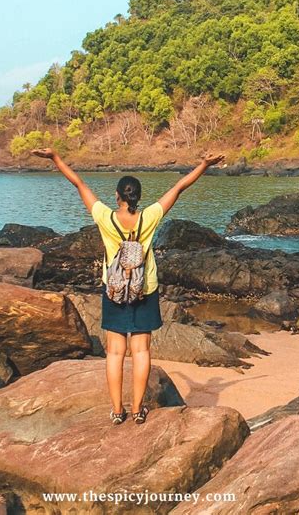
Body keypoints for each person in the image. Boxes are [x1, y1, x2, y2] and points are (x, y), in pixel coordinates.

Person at [31, 148, 225, 425]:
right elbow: (180, 186)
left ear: (118, 196)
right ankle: (137, 411)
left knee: (115, 352)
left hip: (114, 289)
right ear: (139, 197)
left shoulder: (104, 217)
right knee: (142, 351)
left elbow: (79, 183)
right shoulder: (150, 217)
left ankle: (116, 411)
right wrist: (204, 163)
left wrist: (55, 158)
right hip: (144, 288)